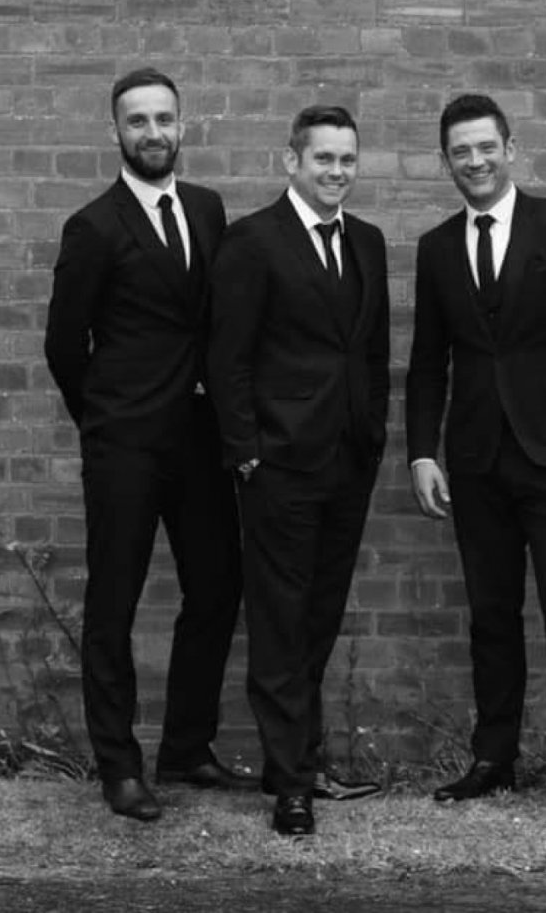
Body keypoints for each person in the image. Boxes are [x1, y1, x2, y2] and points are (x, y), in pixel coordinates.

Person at [404, 93, 546, 827]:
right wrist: (421, 451)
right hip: (476, 462)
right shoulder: (438, 247)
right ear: (446, 161)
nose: (474, 161)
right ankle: (493, 757)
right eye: (460, 152)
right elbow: (427, 361)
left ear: (510, 149)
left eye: (485, 147)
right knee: (491, 617)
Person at [44, 67, 252, 823]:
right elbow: (64, 344)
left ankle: (187, 747)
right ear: (116, 132)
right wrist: (103, 419)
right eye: (138, 121)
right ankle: (119, 766)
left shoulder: (206, 208)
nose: (153, 132)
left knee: (217, 586)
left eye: (164, 118)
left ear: (182, 125)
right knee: (114, 602)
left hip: (199, 440)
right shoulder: (93, 227)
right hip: (125, 445)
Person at [207, 106, 390, 837]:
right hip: (279, 463)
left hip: (348, 460)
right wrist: (245, 448)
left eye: (347, 159)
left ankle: (303, 759)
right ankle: (289, 784)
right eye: (324, 159)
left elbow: (370, 350)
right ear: (292, 162)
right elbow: (227, 355)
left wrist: (373, 433)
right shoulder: (253, 241)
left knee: (319, 615)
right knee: (280, 622)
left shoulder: (367, 241)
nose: (337, 172)